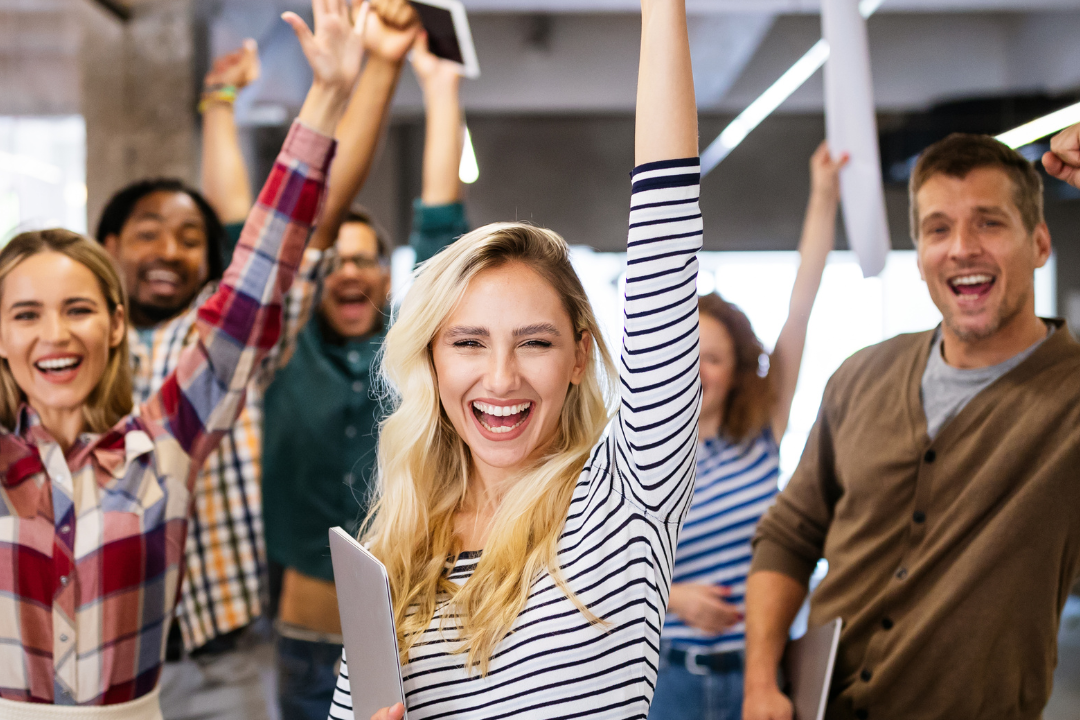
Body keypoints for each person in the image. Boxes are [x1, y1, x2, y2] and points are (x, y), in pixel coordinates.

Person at [328, 2, 700, 719]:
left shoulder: (623, 502)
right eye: (467, 343)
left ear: (579, 357)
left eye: (534, 341)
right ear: (432, 362)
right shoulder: (392, 557)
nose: (500, 378)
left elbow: (666, 229)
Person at [0, 0, 365, 715]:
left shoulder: (163, 444)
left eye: (77, 310)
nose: (55, 335)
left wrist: (328, 97)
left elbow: (256, 285)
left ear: (113, 325)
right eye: (26, 315)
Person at [92, 3, 418, 718]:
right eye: (150, 232)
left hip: (225, 655)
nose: (171, 250)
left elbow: (299, 229)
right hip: (99, 658)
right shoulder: (77, 356)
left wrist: (359, 78)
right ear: (107, 246)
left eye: (189, 237)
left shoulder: (217, 353)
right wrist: (218, 100)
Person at [742, 127, 1080, 720]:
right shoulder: (862, 375)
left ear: (1040, 242)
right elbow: (790, 535)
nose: (961, 248)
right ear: (920, 257)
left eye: (989, 223)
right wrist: (759, 684)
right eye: (938, 229)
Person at [261, 31, 469, 720]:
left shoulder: (415, 353)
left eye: (366, 258)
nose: (348, 270)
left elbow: (442, 232)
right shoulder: (281, 359)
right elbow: (301, 241)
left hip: (416, 638)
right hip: (305, 638)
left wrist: (440, 90)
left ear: (386, 272)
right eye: (336, 261)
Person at [649, 143, 846, 720]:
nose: (698, 368)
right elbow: (593, 581)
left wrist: (824, 194)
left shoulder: (761, 435)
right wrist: (674, 601)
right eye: (688, 353)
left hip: (758, 676)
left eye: (713, 357)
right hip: (667, 680)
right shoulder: (638, 455)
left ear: (736, 370)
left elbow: (800, 307)